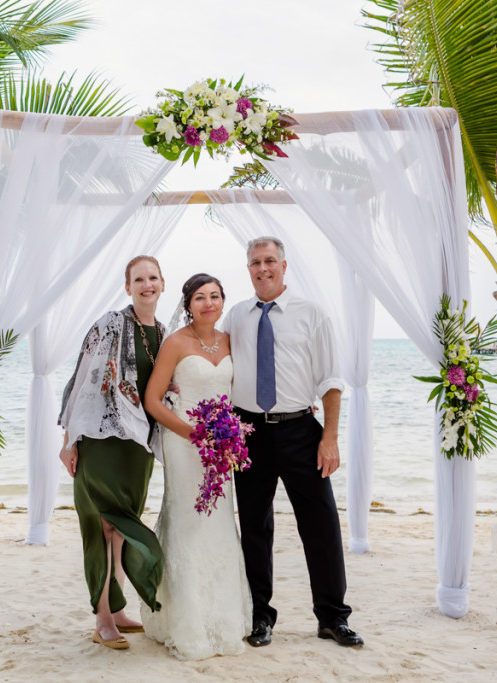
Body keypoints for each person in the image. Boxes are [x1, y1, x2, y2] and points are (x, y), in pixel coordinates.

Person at [225, 236, 364, 648]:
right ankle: (260, 617)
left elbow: (330, 380)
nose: (262, 268)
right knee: (254, 527)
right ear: (247, 268)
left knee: (321, 525)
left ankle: (332, 617)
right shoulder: (235, 316)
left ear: (284, 266)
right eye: (254, 262)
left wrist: (330, 438)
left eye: (269, 261)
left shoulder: (311, 314)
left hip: (301, 431)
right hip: (248, 433)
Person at [57, 255, 167, 651]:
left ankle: (118, 610)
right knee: (102, 528)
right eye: (139, 279)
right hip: (102, 443)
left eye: (153, 277)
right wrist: (68, 440)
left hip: (138, 449)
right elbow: (81, 379)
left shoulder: (165, 334)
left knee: (122, 531)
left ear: (162, 284)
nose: (147, 285)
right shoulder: (109, 325)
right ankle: (103, 617)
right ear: (128, 287)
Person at [140, 273, 251, 660]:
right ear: (188, 304)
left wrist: (227, 436)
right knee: (187, 524)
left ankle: (222, 620)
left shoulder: (230, 341)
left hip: (220, 449)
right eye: (200, 297)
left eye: (215, 296)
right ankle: (186, 624)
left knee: (218, 524)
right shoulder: (176, 343)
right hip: (185, 444)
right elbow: (153, 401)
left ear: (223, 302)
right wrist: (194, 435)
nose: (208, 303)